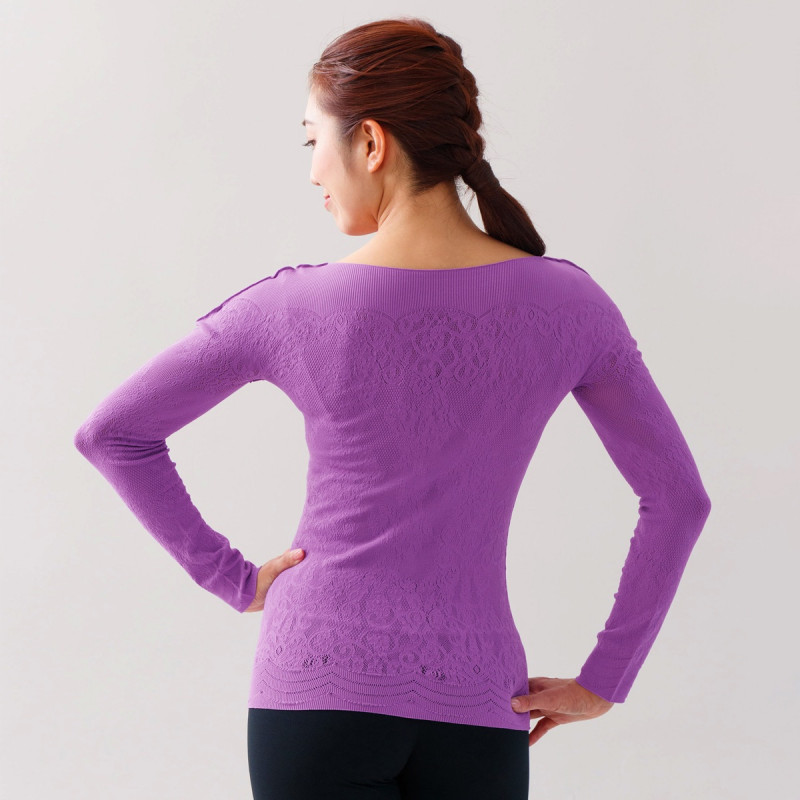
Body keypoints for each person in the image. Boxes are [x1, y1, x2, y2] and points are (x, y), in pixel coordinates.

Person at [73, 16, 711, 800]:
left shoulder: (293, 308)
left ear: (370, 143)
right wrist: (605, 679)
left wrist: (234, 579)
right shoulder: (570, 305)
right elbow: (679, 498)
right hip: (481, 699)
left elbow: (113, 434)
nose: (313, 170)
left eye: (313, 140)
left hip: (317, 688)